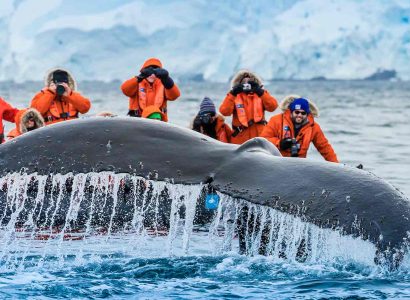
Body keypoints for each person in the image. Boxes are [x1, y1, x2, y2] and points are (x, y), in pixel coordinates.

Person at [260, 95, 339, 162]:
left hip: (299, 165)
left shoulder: (314, 127)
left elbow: (325, 148)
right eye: (297, 112)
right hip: (278, 162)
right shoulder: (276, 120)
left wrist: (337, 166)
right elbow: (263, 140)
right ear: (291, 112)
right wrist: (279, 143)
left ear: (307, 114)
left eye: (303, 113)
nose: (299, 115)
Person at [219, 70, 278, 144]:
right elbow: (224, 112)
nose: (246, 84)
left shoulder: (261, 94)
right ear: (239, 84)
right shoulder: (234, 96)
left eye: (249, 82)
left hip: (260, 137)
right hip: (240, 139)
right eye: (243, 82)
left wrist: (260, 92)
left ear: (254, 83)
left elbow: (273, 107)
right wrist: (233, 93)